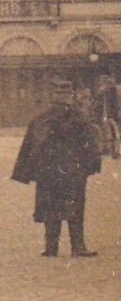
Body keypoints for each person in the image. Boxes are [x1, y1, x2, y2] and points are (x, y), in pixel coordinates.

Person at [12, 78, 103, 258]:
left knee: (50, 209)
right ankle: (78, 246)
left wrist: (26, 172)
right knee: (75, 208)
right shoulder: (81, 119)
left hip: (49, 173)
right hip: (73, 172)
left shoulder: (41, 119)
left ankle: (51, 247)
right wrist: (91, 166)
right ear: (70, 96)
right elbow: (91, 145)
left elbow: (30, 147)